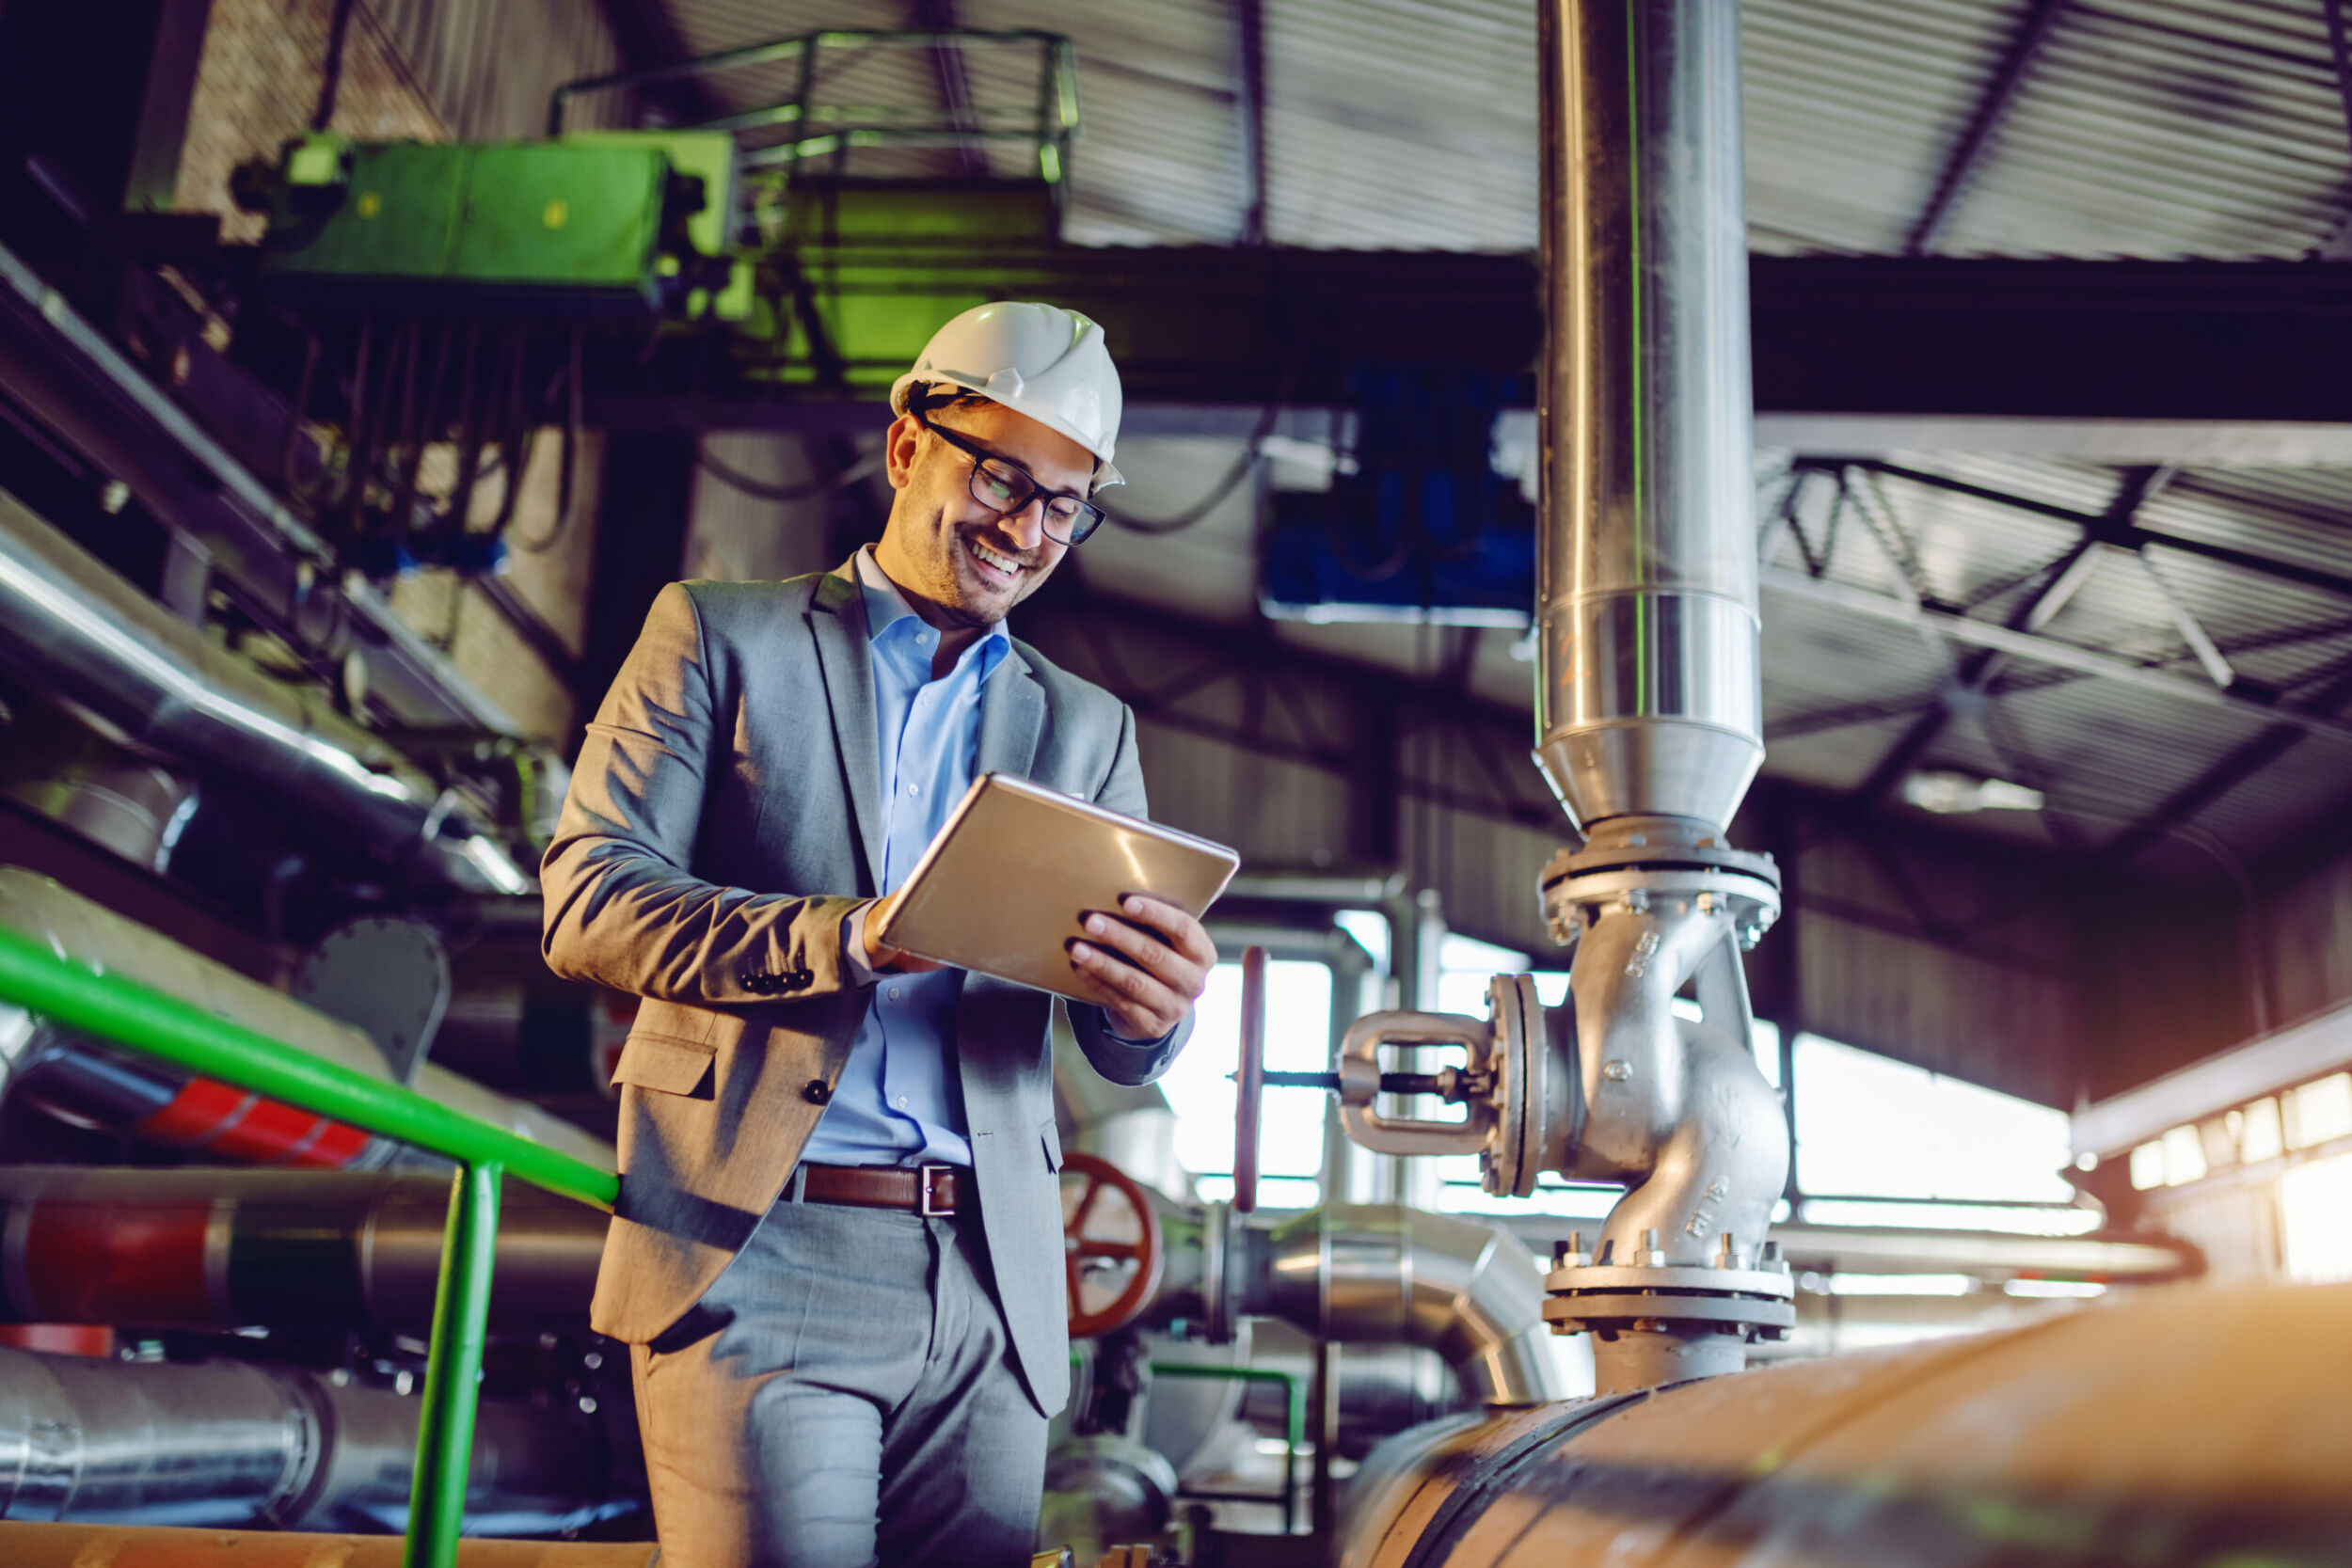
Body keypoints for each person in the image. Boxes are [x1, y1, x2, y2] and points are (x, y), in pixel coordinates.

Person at [540, 301, 1216, 1568]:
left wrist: (1151, 1015)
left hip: (997, 1280)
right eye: (1000, 477)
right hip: (760, 1245)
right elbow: (589, 900)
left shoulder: (1089, 731)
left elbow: (1106, 1042)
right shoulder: (719, 637)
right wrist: (848, 939)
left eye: (1064, 503)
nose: (1025, 529)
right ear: (908, 444)